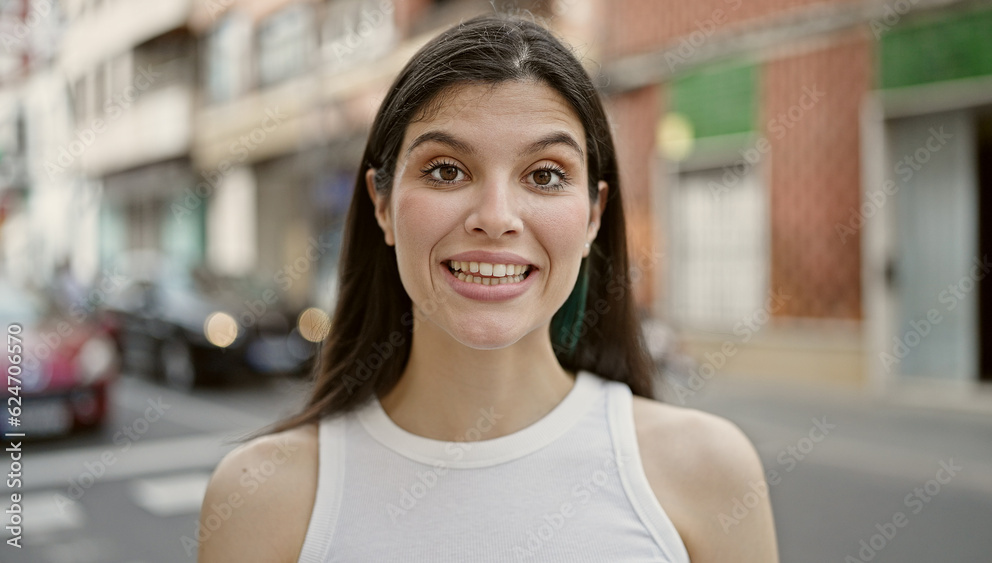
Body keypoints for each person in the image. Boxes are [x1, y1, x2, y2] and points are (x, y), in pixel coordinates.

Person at [197, 12, 778, 563]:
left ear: (594, 216)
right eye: (447, 170)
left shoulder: (709, 472)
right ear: (382, 204)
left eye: (545, 175)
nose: (496, 217)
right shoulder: (259, 497)